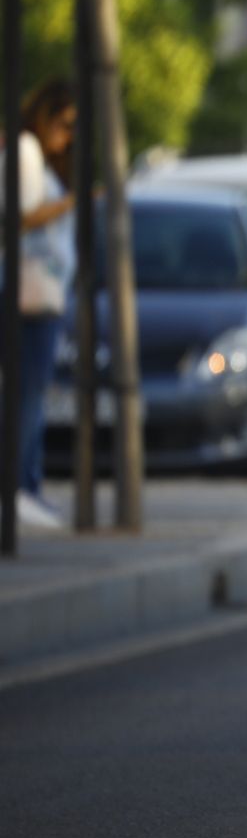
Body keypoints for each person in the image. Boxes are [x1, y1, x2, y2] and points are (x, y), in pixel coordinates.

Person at [2, 80, 78, 530]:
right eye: (65, 124)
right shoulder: (27, 152)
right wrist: (75, 202)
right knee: (27, 395)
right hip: (28, 295)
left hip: (38, 294)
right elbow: (23, 216)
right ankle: (21, 488)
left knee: (29, 393)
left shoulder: (30, 154)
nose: (67, 136)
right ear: (46, 115)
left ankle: (25, 484)